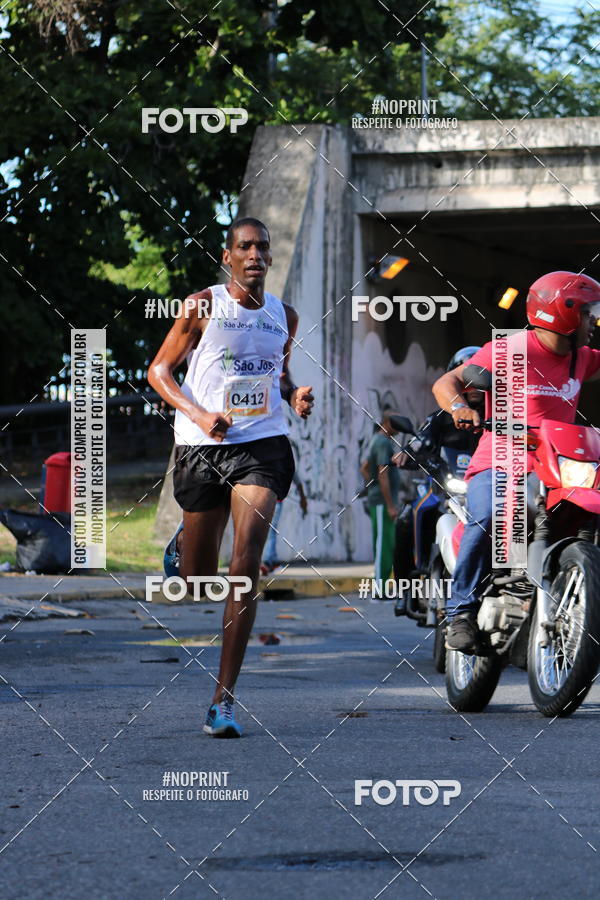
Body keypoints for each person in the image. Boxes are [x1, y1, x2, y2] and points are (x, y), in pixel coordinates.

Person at [148, 217, 314, 737]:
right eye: (245, 247)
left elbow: (274, 372)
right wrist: (199, 416)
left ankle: (223, 701)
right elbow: (158, 372)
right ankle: (185, 544)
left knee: (246, 565)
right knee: (198, 580)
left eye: (263, 246)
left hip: (262, 445)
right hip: (202, 446)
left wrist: (292, 395)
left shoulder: (283, 315)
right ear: (228, 256)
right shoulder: (202, 305)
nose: (255, 255)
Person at [432, 271, 600, 652]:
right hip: (501, 460)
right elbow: (447, 383)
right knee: (490, 513)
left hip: (557, 466)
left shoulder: (583, 359)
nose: (594, 322)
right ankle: (459, 611)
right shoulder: (509, 350)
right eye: (589, 313)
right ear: (565, 313)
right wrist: (459, 407)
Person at [363, 409, 403, 588]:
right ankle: (380, 589)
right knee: (383, 546)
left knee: (386, 543)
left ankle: (382, 586)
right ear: (388, 423)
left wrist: (371, 487)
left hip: (380, 500)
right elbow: (383, 474)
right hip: (382, 503)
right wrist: (389, 504)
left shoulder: (380, 440)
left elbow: (364, 468)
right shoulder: (382, 443)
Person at [260, 471, 308, 575]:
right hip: (272, 500)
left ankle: (272, 561)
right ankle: (268, 562)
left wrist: (302, 498)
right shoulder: (282, 457)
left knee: (269, 530)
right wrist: (303, 497)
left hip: (266, 499)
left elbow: (296, 478)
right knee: (271, 531)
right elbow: (297, 479)